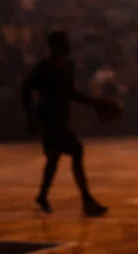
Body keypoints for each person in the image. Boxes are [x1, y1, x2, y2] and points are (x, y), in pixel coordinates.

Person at [20, 30, 109, 217]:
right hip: (49, 121)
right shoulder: (43, 69)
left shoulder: (67, 66)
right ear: (56, 46)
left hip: (60, 119)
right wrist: (30, 116)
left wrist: (93, 102)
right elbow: (25, 90)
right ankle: (86, 200)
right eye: (65, 42)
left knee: (54, 159)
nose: (68, 45)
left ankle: (43, 196)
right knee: (76, 150)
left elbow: (71, 92)